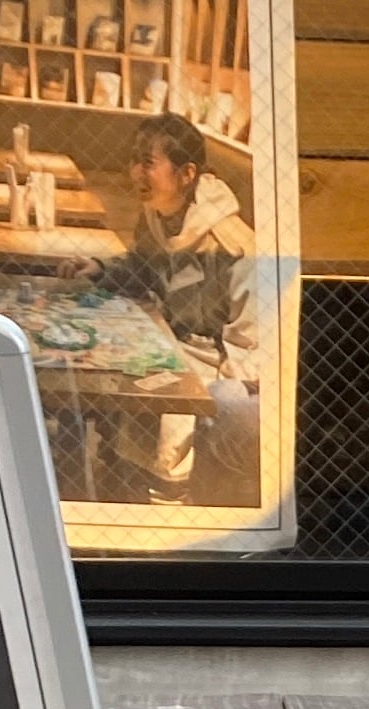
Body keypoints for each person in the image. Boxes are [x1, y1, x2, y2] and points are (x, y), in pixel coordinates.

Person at [101, 115, 261, 504]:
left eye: (148, 162)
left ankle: (170, 499)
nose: (136, 172)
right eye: (134, 160)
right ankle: (128, 486)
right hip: (166, 341)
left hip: (213, 362)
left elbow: (251, 341)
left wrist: (216, 401)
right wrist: (100, 269)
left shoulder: (231, 244)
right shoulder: (156, 214)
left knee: (175, 430)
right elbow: (142, 267)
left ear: (187, 174)